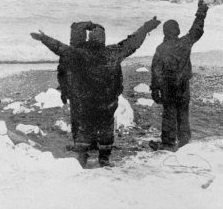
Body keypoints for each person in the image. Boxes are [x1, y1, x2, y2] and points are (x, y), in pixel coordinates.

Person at [31, 16, 160, 168]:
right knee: (106, 129)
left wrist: (43, 38)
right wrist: (146, 27)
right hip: (107, 103)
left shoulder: (78, 54)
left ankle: (82, 158)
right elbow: (133, 43)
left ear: (89, 39)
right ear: (103, 40)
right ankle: (104, 159)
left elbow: (59, 47)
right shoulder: (113, 52)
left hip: (86, 103)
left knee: (84, 129)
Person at [150, 0, 209, 151]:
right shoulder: (185, 43)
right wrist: (201, 12)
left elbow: (156, 71)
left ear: (165, 32)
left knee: (169, 114)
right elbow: (196, 30)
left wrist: (155, 89)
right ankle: (184, 143)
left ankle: (168, 144)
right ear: (177, 31)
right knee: (183, 113)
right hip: (183, 87)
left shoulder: (161, 49)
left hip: (167, 88)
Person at [56, 21, 101, 141]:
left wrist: (64, 92)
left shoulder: (68, 52)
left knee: (76, 117)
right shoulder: (91, 51)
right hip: (90, 90)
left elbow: (62, 73)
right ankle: (92, 141)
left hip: (75, 91)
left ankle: (78, 142)